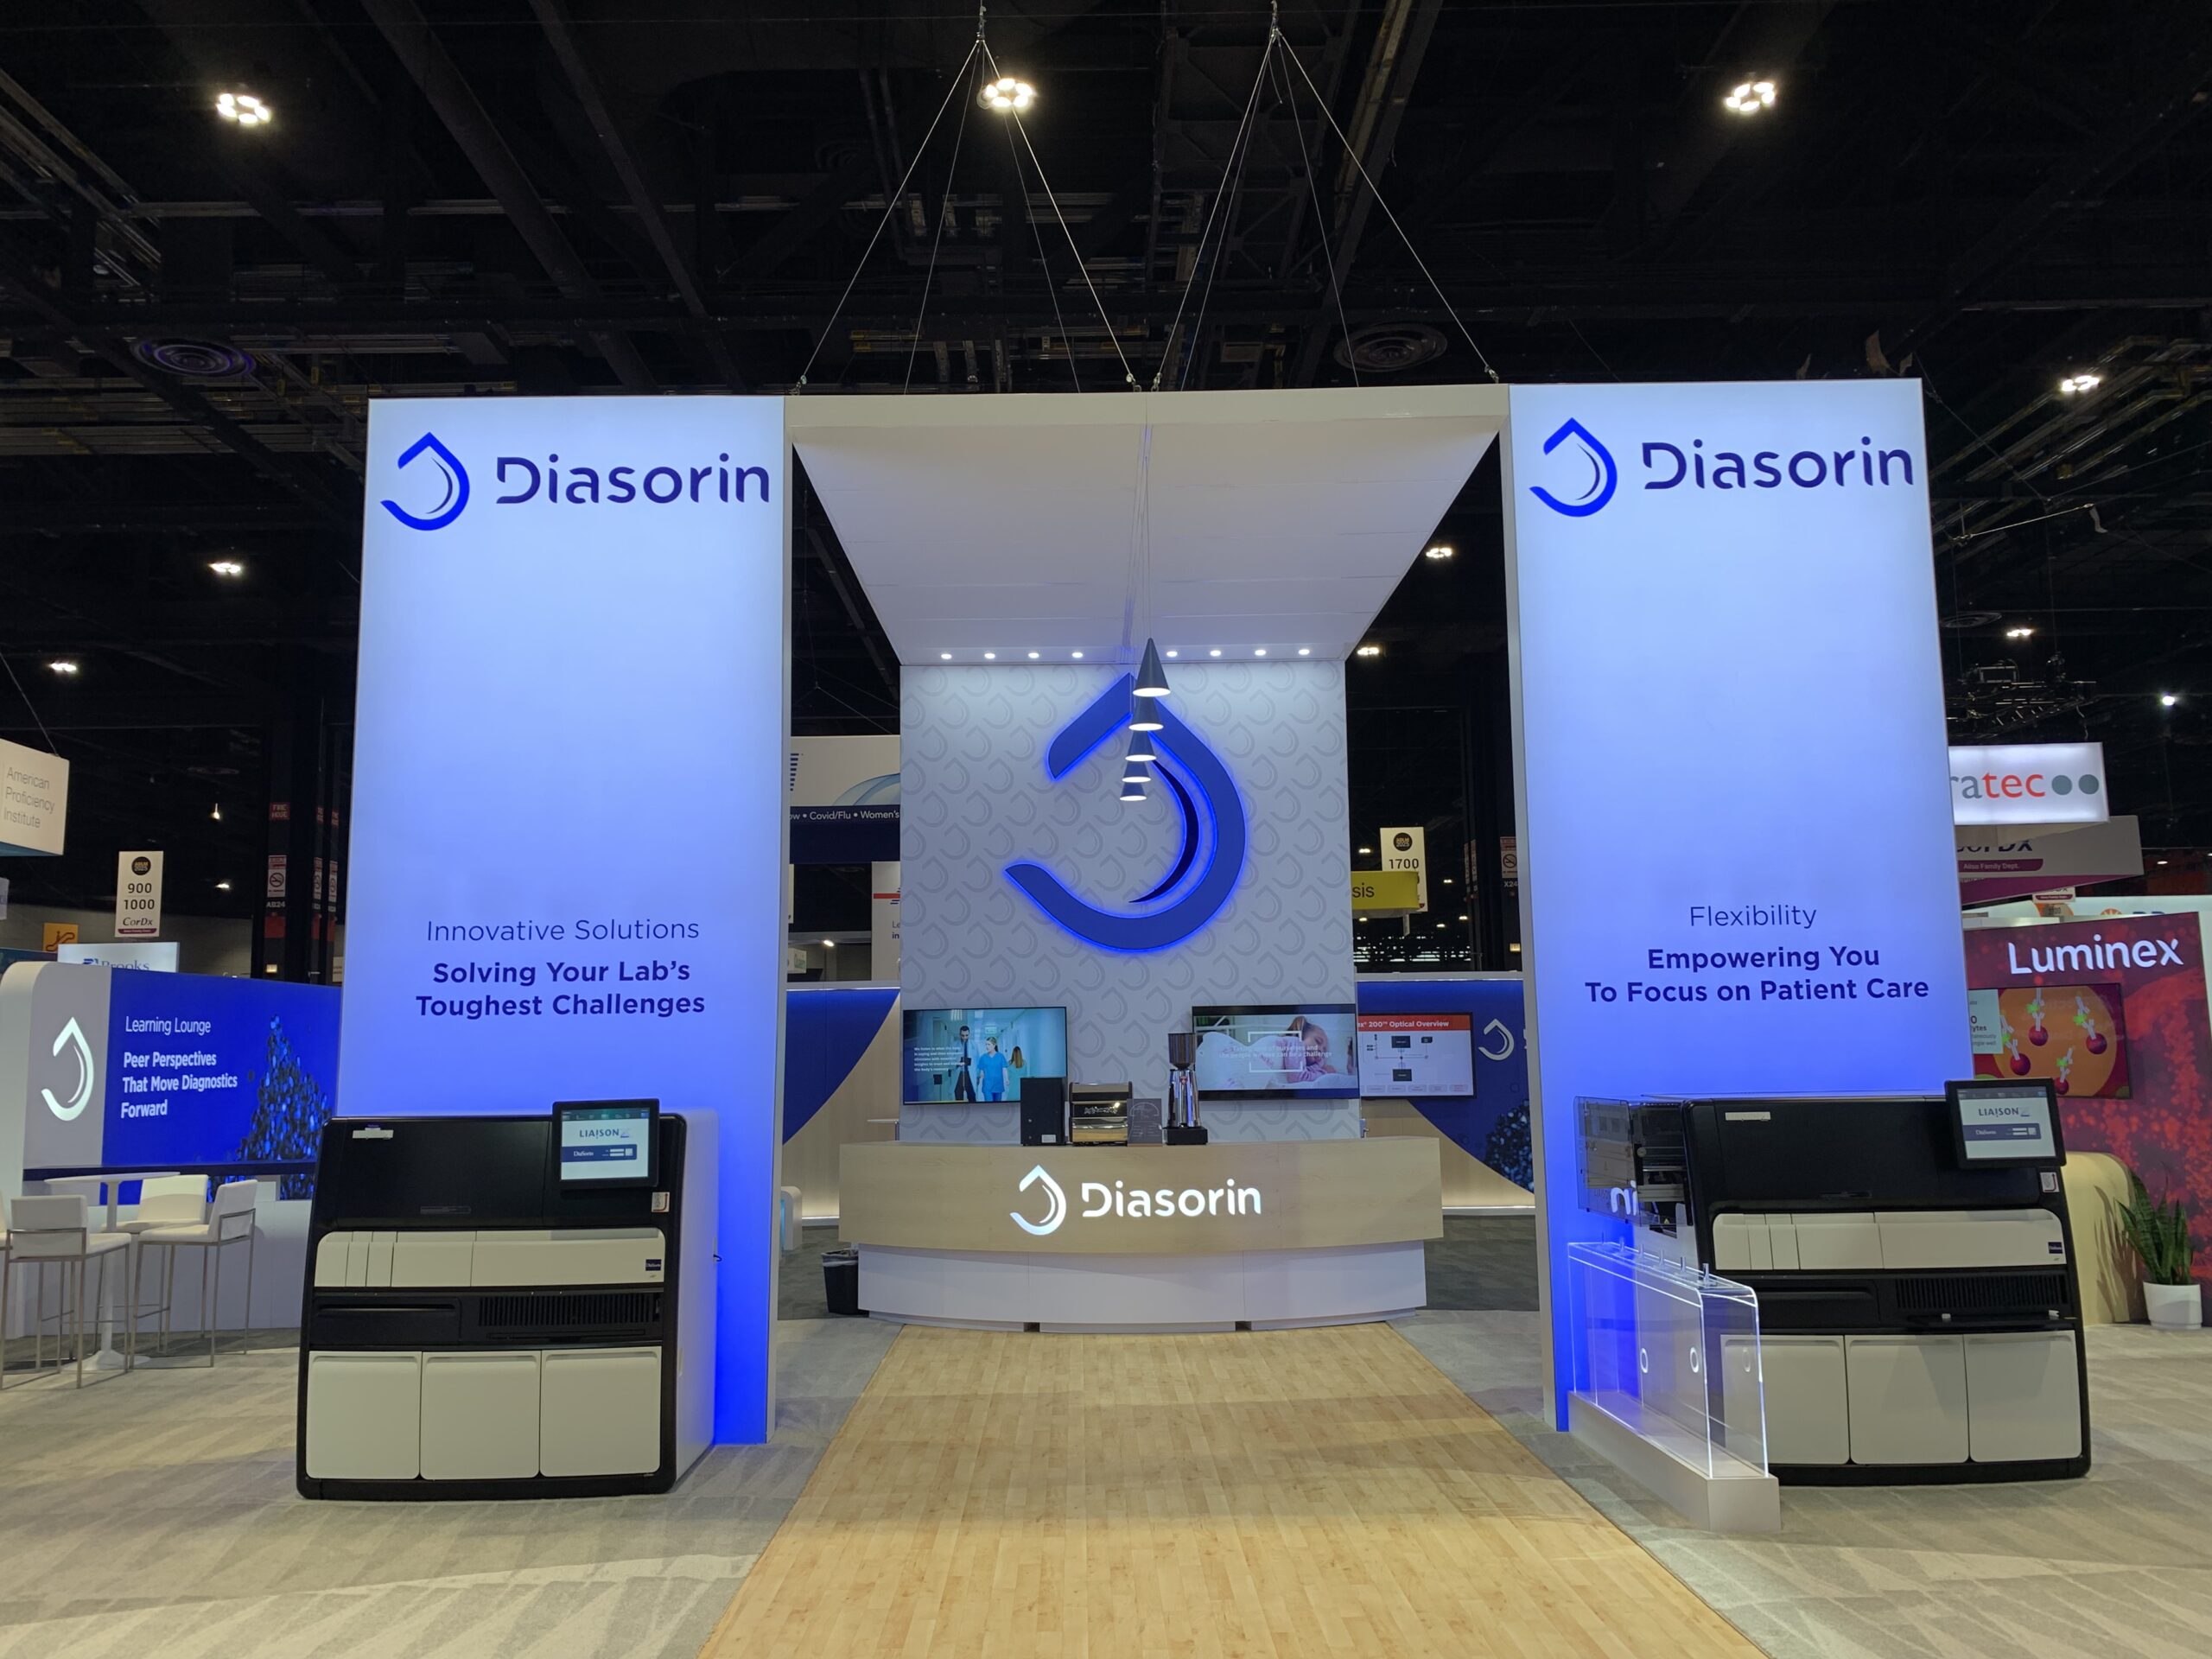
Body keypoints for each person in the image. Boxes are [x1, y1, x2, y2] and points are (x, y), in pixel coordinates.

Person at [1292, 1015, 1340, 1083]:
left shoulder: (1303, 1064)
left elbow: (1307, 1072)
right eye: (1318, 1041)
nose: (1321, 1050)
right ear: (1301, 1035)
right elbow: (1298, 1077)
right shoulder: (1294, 1042)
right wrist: (1325, 1073)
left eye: (1324, 1052)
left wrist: (1320, 1066)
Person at [976, 1035, 1009, 1102]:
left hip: (998, 1085)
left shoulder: (1001, 1056)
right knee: (989, 1105)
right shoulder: (983, 1057)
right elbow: (981, 1070)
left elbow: (1004, 1069)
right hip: (987, 1086)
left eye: (989, 1044)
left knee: (997, 1106)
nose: (987, 1046)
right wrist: (980, 1076)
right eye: (986, 1044)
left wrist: (1007, 1079)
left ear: (994, 1045)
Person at [952, 1022, 976, 1102]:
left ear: (969, 1034)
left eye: (966, 1035)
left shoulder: (974, 1045)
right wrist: (957, 1064)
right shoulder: (954, 1045)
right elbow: (950, 1060)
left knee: (972, 1096)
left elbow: (977, 1060)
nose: (965, 1037)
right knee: (958, 1097)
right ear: (960, 1035)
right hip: (959, 1074)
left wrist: (978, 1075)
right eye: (962, 1035)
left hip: (969, 1074)